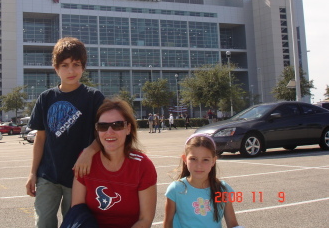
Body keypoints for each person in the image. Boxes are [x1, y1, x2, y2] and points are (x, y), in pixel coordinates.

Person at [26, 37, 105, 228]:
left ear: (83, 67)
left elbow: (103, 134)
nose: (71, 70)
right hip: (48, 176)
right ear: (56, 68)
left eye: (76, 64)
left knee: (74, 224)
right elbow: (40, 138)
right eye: (65, 65)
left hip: (79, 177)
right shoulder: (46, 98)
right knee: (43, 222)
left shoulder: (93, 97)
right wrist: (32, 173)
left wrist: (89, 151)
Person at [66, 98, 157, 228]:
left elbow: (145, 219)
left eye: (117, 125)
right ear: (97, 130)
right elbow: (77, 210)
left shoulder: (142, 166)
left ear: (128, 129)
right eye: (103, 126)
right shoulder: (85, 161)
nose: (109, 132)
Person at [163, 134, 242, 228]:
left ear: (213, 161)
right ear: (185, 159)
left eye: (205, 160)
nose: (199, 165)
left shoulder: (223, 189)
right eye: (193, 159)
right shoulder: (176, 189)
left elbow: (232, 224)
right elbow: (168, 223)